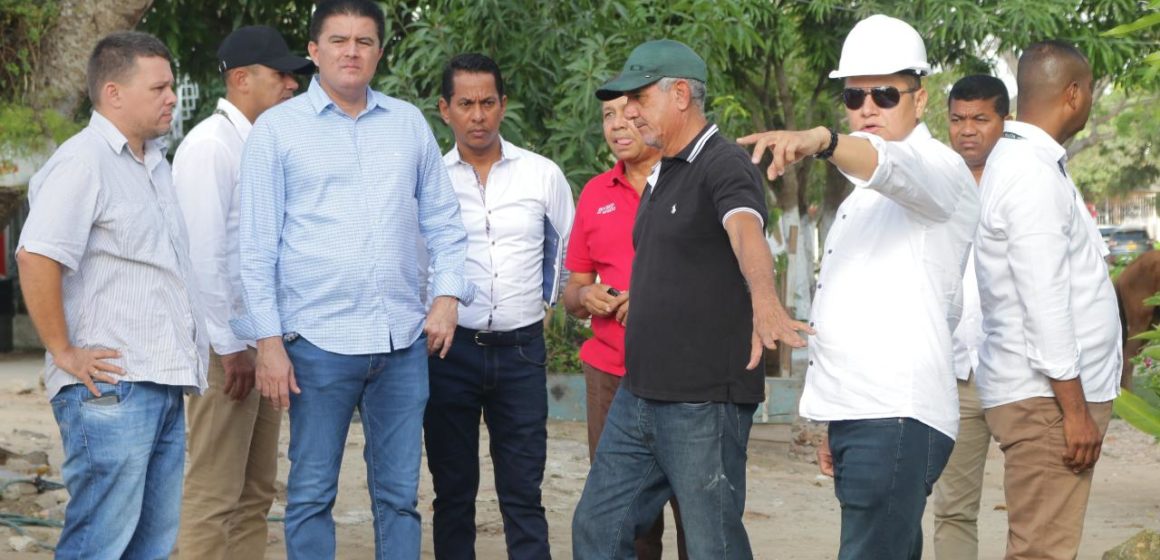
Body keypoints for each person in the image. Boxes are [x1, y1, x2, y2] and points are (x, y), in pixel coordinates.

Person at [232, 1, 474, 558]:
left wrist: (446, 297)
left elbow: (444, 225)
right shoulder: (277, 131)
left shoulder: (408, 123)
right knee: (312, 494)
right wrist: (268, 343)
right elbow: (257, 247)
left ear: (379, 52)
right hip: (316, 345)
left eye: (364, 41)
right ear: (314, 52)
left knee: (399, 497)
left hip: (402, 343)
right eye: (338, 40)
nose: (352, 51)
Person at [739, 14, 978, 560]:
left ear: (919, 101)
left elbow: (890, 166)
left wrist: (823, 139)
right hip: (865, 414)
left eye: (886, 94)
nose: (867, 107)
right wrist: (835, 419)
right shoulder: (862, 199)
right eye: (853, 96)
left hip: (897, 414)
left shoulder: (938, 168)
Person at [571, 39, 810, 558]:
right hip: (640, 396)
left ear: (680, 94)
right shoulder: (665, 172)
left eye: (639, 97)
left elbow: (745, 230)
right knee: (596, 528)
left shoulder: (724, 164)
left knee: (710, 546)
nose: (628, 112)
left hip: (702, 403)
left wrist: (765, 300)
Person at [15, 31, 208, 559]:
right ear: (114, 93)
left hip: (160, 383)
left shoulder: (153, 165)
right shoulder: (84, 162)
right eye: (159, 87)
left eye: (172, 86)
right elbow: (35, 256)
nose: (171, 97)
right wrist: (64, 351)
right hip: (111, 390)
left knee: (149, 545)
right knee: (99, 544)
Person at [424, 52, 574, 560]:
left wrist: (547, 306)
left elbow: (565, 250)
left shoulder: (542, 175)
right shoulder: (430, 180)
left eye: (488, 102)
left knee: (523, 493)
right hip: (449, 353)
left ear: (503, 105)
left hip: (521, 352)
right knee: (453, 493)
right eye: (465, 103)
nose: (478, 115)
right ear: (445, 109)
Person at [974, 40, 1120, 560]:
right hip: (1048, 404)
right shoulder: (1030, 173)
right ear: (1074, 94)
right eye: (1092, 94)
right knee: (1044, 552)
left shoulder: (1032, 163)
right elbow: (1044, 302)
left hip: (1047, 398)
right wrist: (1074, 411)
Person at [172, 25, 312, 559]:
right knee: (214, 490)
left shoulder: (256, 145)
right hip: (223, 348)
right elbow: (203, 261)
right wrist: (230, 348)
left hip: (260, 343)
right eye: (280, 76)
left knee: (255, 491)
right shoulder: (210, 147)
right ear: (240, 79)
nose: (292, 87)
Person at [562, 95, 687, 559]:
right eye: (608, 116)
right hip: (611, 377)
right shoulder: (596, 192)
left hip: (685, 380)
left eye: (630, 115)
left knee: (696, 513)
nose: (618, 126)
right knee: (625, 517)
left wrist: (653, 301)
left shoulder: (690, 182)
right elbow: (572, 292)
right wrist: (586, 297)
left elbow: (725, 279)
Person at [932, 74, 1010, 560]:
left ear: (1005, 120)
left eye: (981, 119)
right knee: (953, 508)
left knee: (1032, 505)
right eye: (959, 119)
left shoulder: (1028, 182)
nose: (968, 130)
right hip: (955, 372)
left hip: (1020, 372)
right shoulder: (934, 184)